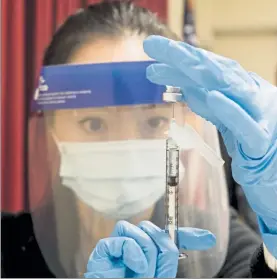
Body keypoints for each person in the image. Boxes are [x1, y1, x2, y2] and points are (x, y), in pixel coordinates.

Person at [1, 1, 276, 278]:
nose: (126, 150)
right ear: (52, 129)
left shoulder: (214, 246)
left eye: (154, 122)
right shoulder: (8, 249)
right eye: (94, 124)